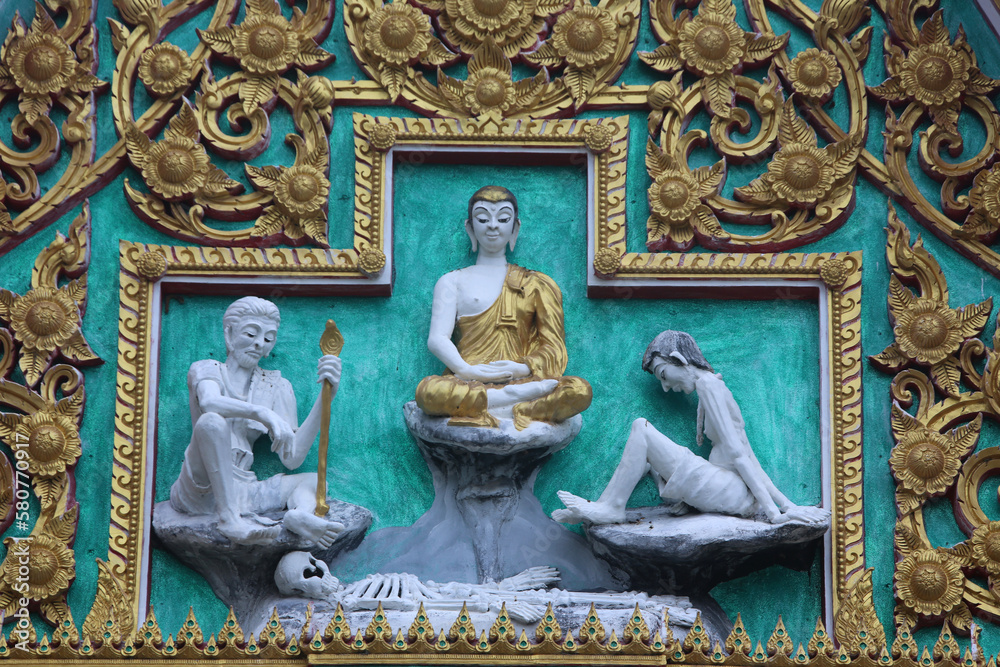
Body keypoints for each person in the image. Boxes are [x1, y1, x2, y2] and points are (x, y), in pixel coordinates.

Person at [552, 331, 829, 525]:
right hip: (730, 487)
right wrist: (785, 504)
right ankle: (607, 505)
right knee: (646, 442)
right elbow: (746, 454)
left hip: (729, 489)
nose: (664, 386)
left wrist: (775, 512)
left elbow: (739, 453)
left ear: (680, 359)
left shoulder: (709, 386)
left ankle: (612, 506)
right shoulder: (710, 385)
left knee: (641, 429)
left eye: (663, 374)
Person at [169, 296, 345, 546]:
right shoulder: (207, 369)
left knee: (314, 481)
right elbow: (210, 402)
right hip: (200, 488)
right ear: (229, 335)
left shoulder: (276, 386)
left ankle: (300, 516)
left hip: (244, 489)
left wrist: (326, 398)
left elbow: (292, 458)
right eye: (251, 333)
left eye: (268, 338)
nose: (259, 343)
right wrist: (261, 413)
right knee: (211, 422)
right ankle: (228, 519)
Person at [415, 185, 591, 430]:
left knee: (579, 390)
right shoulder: (451, 281)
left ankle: (516, 405)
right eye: (483, 218)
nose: (493, 226)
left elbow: (554, 348)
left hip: (521, 379)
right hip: (468, 381)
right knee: (428, 393)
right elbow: (437, 339)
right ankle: (509, 402)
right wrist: (468, 371)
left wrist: (521, 367)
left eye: (503, 218)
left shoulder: (537, 284)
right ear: (470, 227)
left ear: (515, 227)